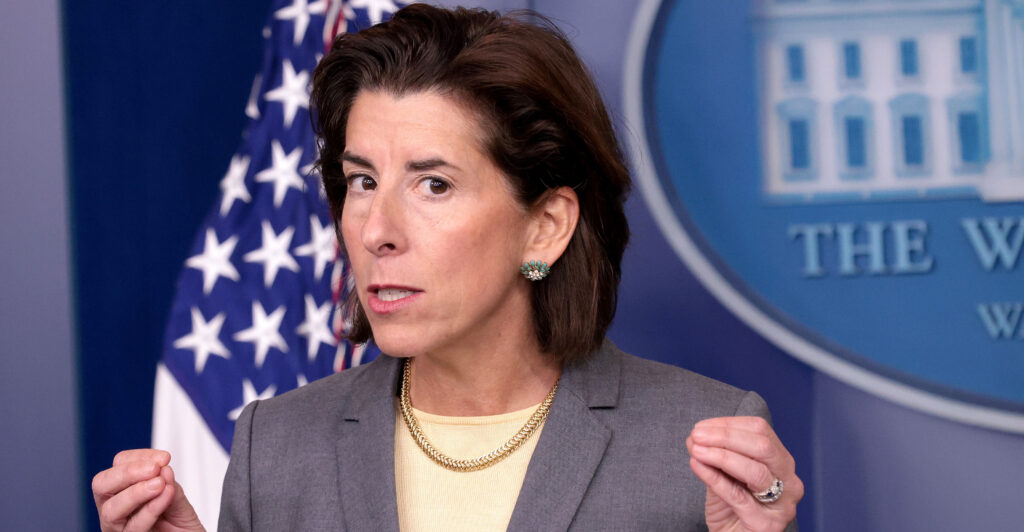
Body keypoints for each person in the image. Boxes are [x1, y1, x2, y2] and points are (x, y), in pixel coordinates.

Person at [91, 5, 803, 531]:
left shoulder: (698, 443)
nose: (377, 231)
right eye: (362, 181)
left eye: (433, 184)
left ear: (546, 226)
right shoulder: (273, 447)